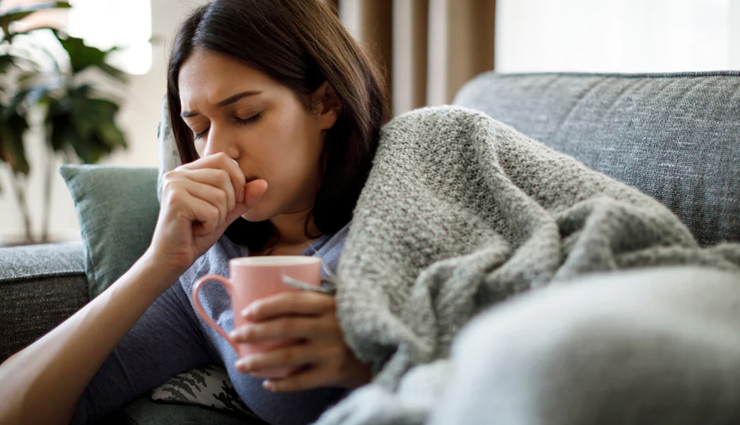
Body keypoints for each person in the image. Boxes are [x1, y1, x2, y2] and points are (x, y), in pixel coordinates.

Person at [0, 0, 387, 424]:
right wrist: (157, 264)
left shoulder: (403, 212)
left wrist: (372, 363)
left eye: (246, 115)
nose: (216, 151)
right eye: (200, 129)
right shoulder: (211, 275)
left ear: (327, 103)